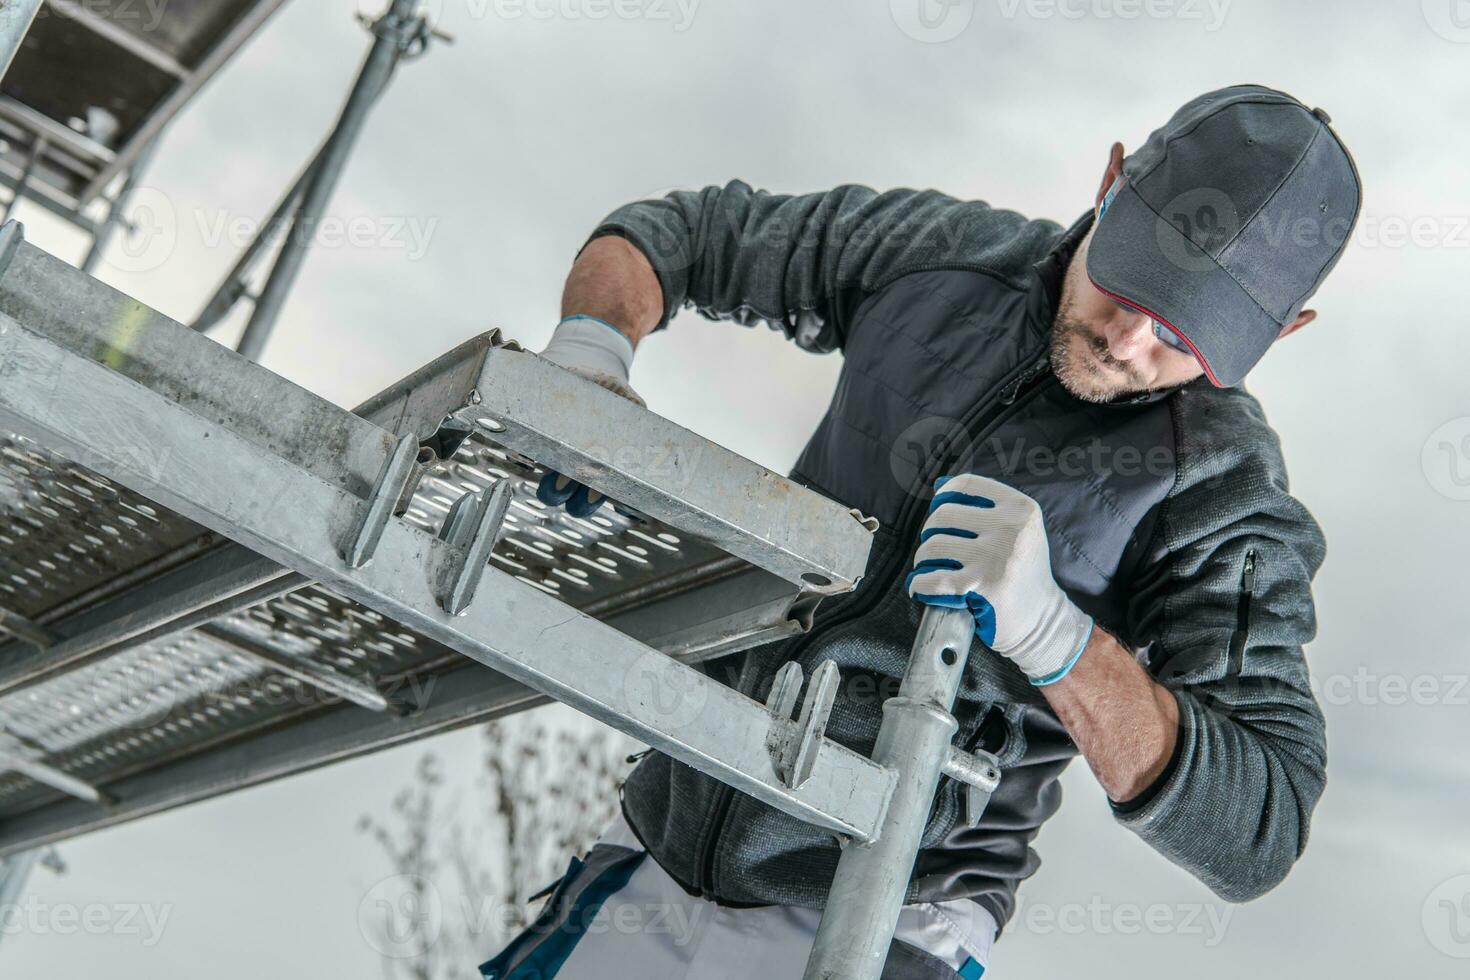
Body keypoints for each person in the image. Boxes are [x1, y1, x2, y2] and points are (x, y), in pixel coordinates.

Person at [482, 83, 1361, 979]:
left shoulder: (1220, 487)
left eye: (1185, 334)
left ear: (1282, 331)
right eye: (1130, 280)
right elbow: (679, 235)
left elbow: (1261, 825)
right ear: (1110, 180)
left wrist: (1058, 640)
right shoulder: (939, 257)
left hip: (891, 921)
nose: (1130, 341)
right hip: (656, 846)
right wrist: (590, 352)